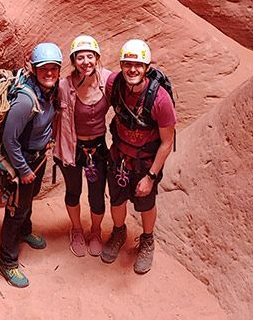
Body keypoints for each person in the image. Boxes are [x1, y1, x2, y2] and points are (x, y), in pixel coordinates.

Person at [101, 38, 176, 275]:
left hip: (146, 162)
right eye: (127, 64)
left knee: (146, 203)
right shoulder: (115, 84)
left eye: (138, 65)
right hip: (119, 156)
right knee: (116, 199)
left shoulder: (160, 99)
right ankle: (119, 231)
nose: (132, 69)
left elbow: (167, 142)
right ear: (121, 65)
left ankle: (147, 240)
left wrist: (151, 176)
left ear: (147, 68)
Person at [0, 42, 62, 288]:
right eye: (43, 68)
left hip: (37, 159)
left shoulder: (49, 92)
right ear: (34, 70)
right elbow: (9, 139)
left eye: (53, 69)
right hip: (20, 163)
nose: (49, 73)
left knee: (28, 200)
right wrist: (22, 170)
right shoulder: (26, 100)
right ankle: (7, 261)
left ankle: (25, 231)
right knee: (16, 211)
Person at [55, 35, 114, 257]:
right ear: (73, 60)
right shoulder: (63, 86)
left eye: (90, 56)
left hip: (97, 149)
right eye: (80, 57)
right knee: (73, 191)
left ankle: (96, 231)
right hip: (72, 148)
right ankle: (77, 229)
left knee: (97, 195)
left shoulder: (107, 81)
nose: (86, 61)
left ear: (97, 58)